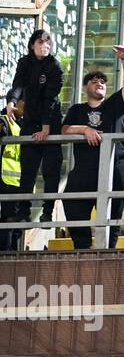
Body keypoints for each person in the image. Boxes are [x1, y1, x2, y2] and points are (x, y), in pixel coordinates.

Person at [60, 46, 124, 250]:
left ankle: (108, 251)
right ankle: (83, 249)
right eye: (94, 81)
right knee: (72, 201)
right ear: (86, 87)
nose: (100, 84)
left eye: (103, 82)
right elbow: (65, 129)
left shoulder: (114, 104)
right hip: (86, 168)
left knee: (113, 213)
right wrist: (85, 129)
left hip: (116, 166)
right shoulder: (77, 110)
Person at [9, 29, 64, 227]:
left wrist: (46, 128)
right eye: (41, 42)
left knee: (51, 172)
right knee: (27, 172)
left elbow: (50, 99)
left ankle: (47, 213)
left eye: (48, 43)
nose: (44, 46)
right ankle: (22, 211)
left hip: (51, 123)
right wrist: (12, 101)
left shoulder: (54, 66)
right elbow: (18, 84)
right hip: (30, 121)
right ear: (33, 44)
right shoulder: (25, 63)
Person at [0, 92, 25, 251]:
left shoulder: (23, 124)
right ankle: (6, 261)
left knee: (16, 226)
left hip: (19, 181)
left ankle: (12, 262)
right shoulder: (5, 119)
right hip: (7, 179)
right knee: (8, 222)